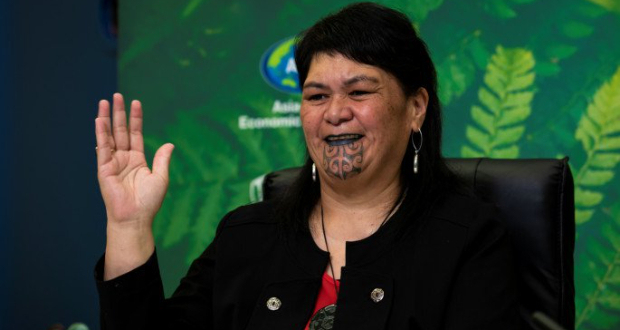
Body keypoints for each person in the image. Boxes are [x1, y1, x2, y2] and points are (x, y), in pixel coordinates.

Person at [94, 2, 518, 329]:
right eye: (316, 96)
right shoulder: (246, 236)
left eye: (359, 92)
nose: (335, 113)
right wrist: (128, 226)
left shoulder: (467, 238)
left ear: (416, 108)